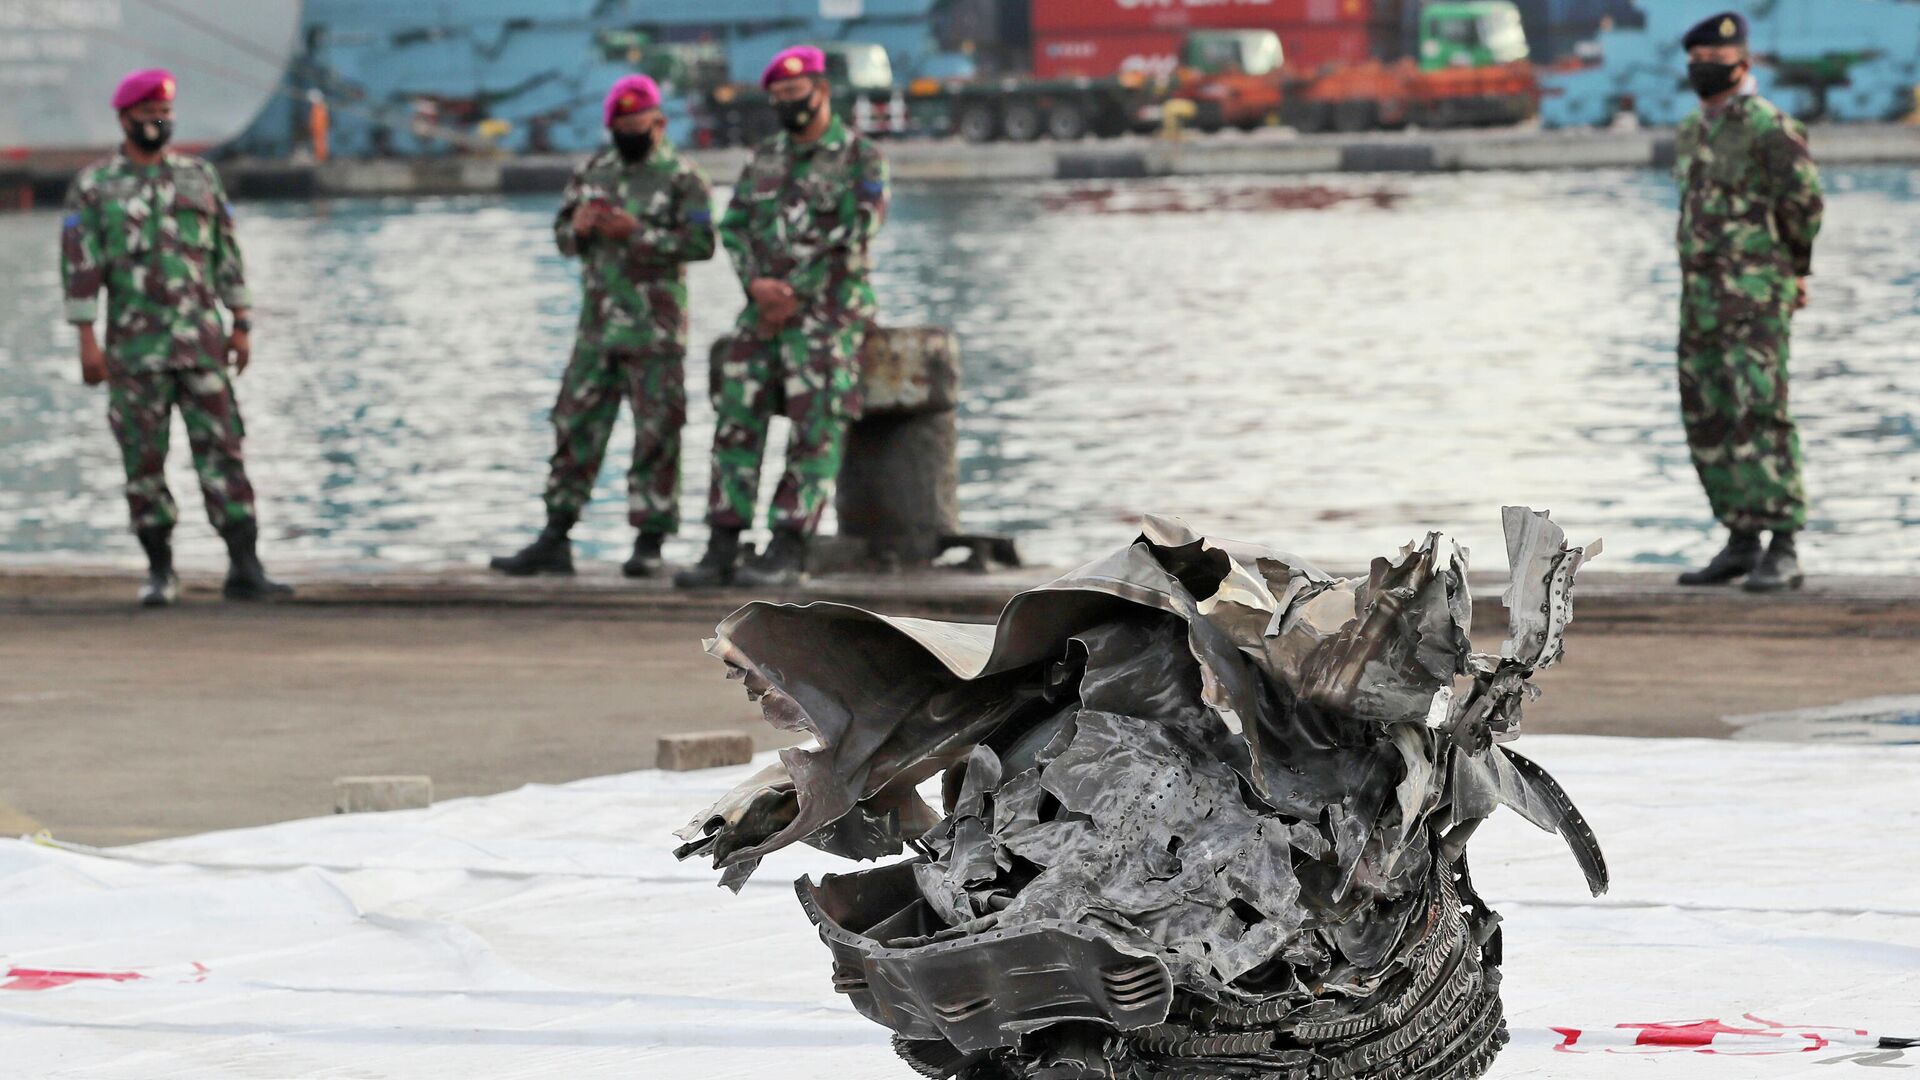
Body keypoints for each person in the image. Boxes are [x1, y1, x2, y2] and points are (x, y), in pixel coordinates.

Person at [60, 68, 291, 607]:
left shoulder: (199, 178)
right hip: (134, 352)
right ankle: (160, 570)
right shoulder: (95, 187)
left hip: (203, 346)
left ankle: (245, 566)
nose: (157, 125)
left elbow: (226, 254)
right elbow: (80, 266)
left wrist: (242, 323)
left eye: (164, 116)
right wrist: (86, 341)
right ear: (125, 120)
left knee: (224, 452)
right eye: (147, 117)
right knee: (143, 461)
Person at [675, 45, 890, 589]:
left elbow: (858, 230)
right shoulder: (764, 157)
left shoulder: (860, 157)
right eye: (776, 98)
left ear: (820, 91)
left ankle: (789, 545)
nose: (785, 105)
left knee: (815, 420)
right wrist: (757, 285)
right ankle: (723, 540)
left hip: (827, 312)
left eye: (793, 95)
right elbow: (735, 226)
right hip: (765, 310)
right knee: (735, 411)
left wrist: (793, 291)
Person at [491, 75, 715, 577]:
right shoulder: (593, 171)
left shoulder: (684, 178)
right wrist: (580, 228)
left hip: (655, 331)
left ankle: (650, 540)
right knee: (574, 425)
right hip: (596, 329)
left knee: (657, 433)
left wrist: (640, 234)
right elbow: (561, 237)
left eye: (637, 125)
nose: (629, 133)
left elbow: (702, 245)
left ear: (658, 123)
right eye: (620, 126)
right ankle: (556, 534)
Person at [1671, 11, 1823, 592]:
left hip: (1757, 297)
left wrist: (1794, 271)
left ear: (1743, 64)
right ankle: (1740, 538)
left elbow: (1804, 206)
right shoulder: (1693, 130)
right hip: (1700, 299)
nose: (1702, 72)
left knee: (1761, 410)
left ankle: (1783, 542)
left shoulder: (1769, 127)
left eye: (1713, 63)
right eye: (1696, 63)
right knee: (1707, 412)